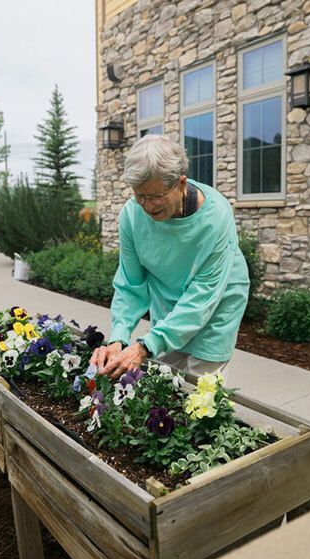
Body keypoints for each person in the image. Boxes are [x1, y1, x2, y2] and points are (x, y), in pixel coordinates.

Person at [90, 134, 250, 380]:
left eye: (155, 196)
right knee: (164, 377)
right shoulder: (132, 216)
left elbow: (203, 297)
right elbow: (131, 284)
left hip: (217, 300)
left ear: (181, 183)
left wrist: (146, 345)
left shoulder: (216, 217)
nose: (147, 205)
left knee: (200, 390)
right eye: (140, 195)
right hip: (168, 298)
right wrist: (118, 337)